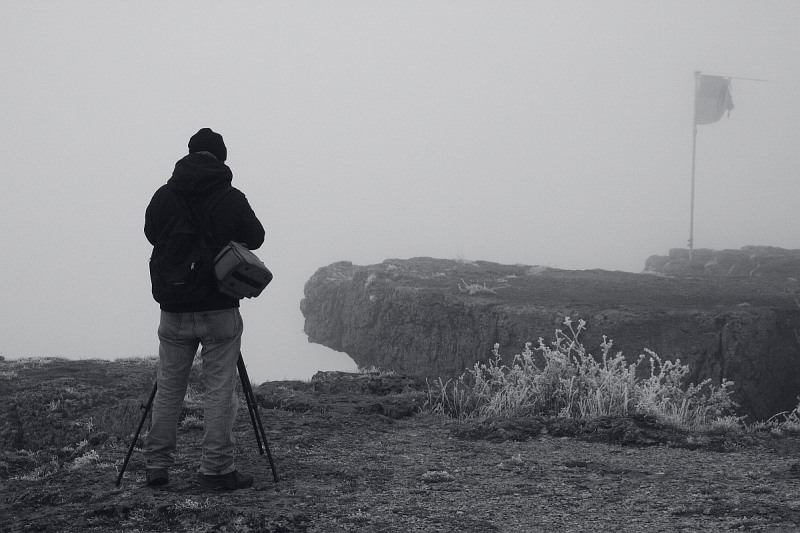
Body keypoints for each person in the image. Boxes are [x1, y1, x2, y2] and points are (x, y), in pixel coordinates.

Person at [143, 128, 265, 490]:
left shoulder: (165, 195)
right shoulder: (230, 196)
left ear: (191, 154)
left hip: (173, 306)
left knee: (168, 388)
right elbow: (256, 237)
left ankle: (156, 466)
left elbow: (151, 233)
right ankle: (216, 470)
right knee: (219, 389)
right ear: (221, 158)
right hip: (219, 308)